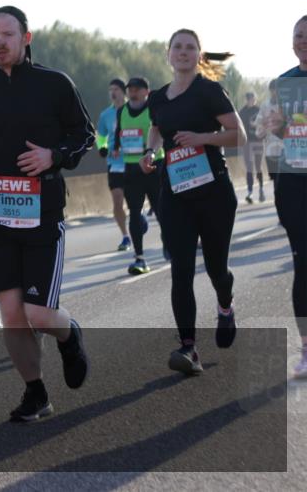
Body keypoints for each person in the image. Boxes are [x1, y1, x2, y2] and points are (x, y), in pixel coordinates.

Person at [0, 5, 93, 422]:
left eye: (7, 34)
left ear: (26, 38)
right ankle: (36, 393)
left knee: (37, 313)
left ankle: (70, 336)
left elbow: (84, 135)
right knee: (12, 315)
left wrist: (55, 155)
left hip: (42, 213)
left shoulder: (54, 84)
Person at [140, 30, 245, 376]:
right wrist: (150, 152)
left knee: (217, 268)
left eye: (190, 48)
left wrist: (202, 138)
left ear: (198, 55)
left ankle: (226, 306)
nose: (183, 52)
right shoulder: (158, 98)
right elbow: (156, 130)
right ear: (168, 54)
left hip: (214, 193)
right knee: (181, 270)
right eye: (177, 47)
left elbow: (238, 135)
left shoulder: (208, 91)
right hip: (175, 193)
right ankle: (188, 348)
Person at [268, 15, 307, 378]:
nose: (303, 41)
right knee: (303, 265)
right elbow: (273, 131)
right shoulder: (281, 83)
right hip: (294, 183)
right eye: (298, 36)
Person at [112, 77, 167, 274]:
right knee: (134, 212)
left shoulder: (153, 108)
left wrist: (152, 153)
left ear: (146, 91)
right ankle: (140, 258)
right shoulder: (122, 111)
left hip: (154, 166)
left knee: (161, 210)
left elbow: (160, 133)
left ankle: (168, 241)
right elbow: (120, 131)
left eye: (137, 89)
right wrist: (116, 147)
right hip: (131, 167)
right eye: (130, 89)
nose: (132, 92)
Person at [96, 80, 131, 251]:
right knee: (117, 202)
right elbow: (100, 136)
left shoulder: (132, 110)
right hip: (114, 163)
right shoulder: (105, 115)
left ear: (123, 92)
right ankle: (125, 236)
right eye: (110, 90)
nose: (113, 92)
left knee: (134, 200)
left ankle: (139, 219)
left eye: (116, 89)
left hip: (133, 161)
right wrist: (102, 148)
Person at [238, 91, 266, 203]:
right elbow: (239, 128)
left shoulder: (259, 110)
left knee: (258, 167)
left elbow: (265, 125)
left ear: (255, 99)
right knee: (249, 167)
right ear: (247, 99)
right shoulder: (242, 112)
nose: (252, 100)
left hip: (258, 141)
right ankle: (250, 192)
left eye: (253, 98)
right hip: (247, 142)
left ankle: (261, 189)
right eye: (250, 98)